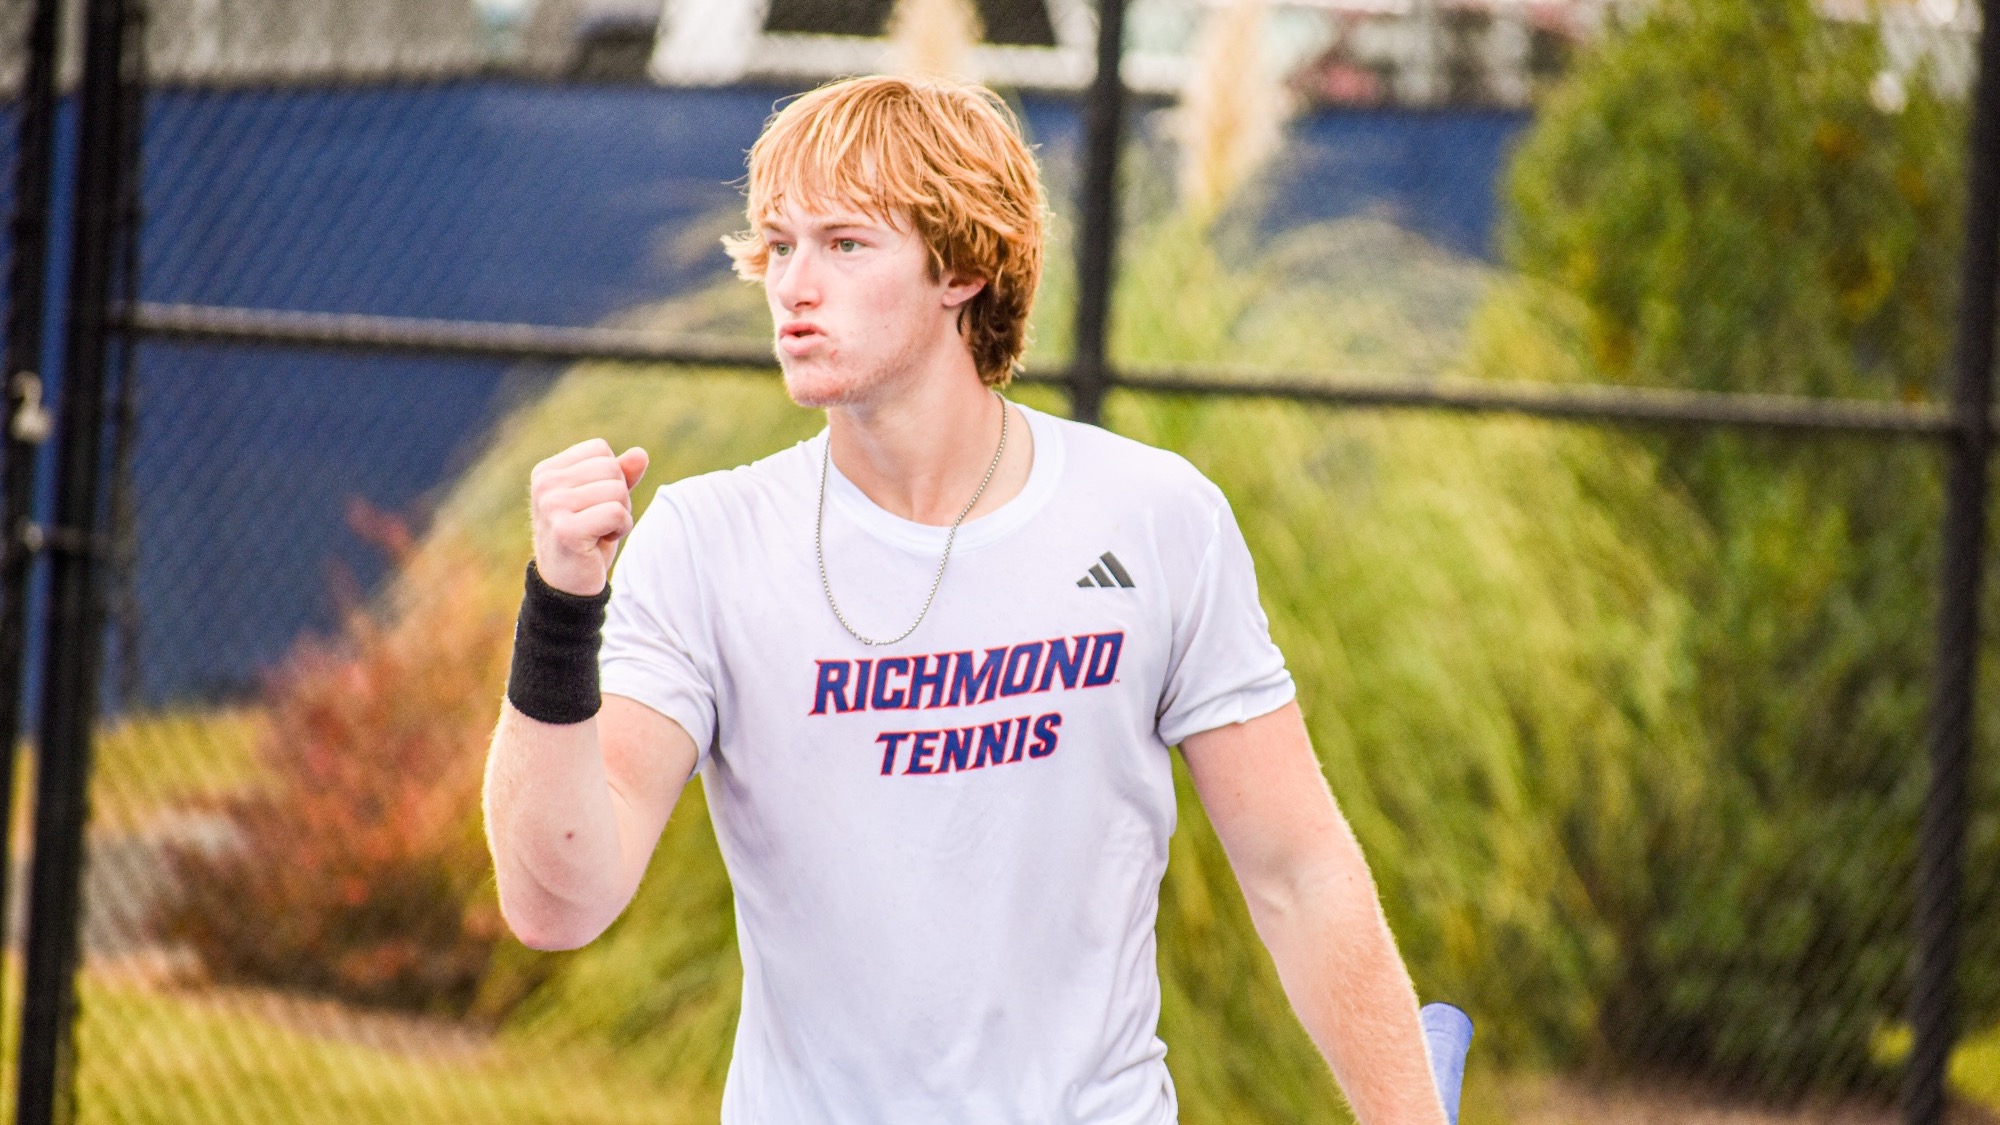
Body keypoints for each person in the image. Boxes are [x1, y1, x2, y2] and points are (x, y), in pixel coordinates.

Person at [482, 74, 1448, 1125]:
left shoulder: (1154, 514)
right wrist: (561, 608)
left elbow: (1298, 872)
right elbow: (556, 902)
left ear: (965, 268)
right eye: (779, 244)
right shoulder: (707, 541)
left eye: (846, 244)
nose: (794, 286)